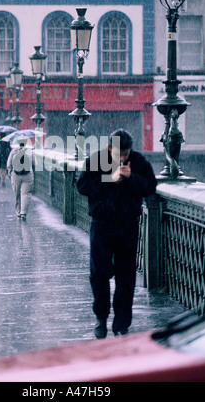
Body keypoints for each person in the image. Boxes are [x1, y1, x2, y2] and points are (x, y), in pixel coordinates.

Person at [77, 129, 157, 339]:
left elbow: (150, 187)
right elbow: (82, 185)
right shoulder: (97, 159)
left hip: (127, 225)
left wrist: (131, 178)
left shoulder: (138, 162)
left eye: (126, 154)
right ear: (109, 148)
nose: (122, 158)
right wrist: (109, 179)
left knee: (126, 276)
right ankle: (101, 318)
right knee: (99, 274)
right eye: (118, 154)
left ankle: (121, 323)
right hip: (102, 224)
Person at [7, 138, 34, 220]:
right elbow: (34, 163)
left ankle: (18, 211)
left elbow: (9, 163)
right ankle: (23, 212)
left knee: (17, 194)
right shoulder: (29, 151)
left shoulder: (14, 151)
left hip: (16, 175)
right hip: (27, 174)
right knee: (26, 194)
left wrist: (10, 171)